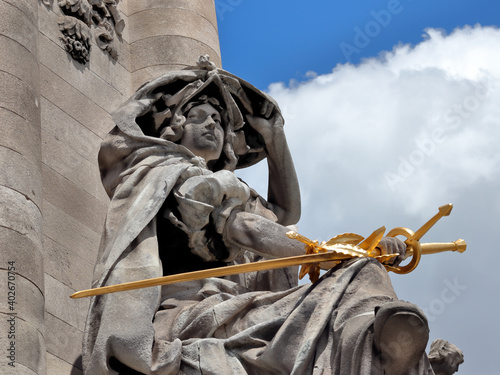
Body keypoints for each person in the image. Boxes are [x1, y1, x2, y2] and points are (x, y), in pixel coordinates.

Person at [83, 57, 434, 374]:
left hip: (239, 308)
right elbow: (243, 228)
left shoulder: (233, 188)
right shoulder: (168, 175)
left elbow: (283, 213)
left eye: (219, 120)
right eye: (197, 116)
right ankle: (376, 348)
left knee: (363, 272)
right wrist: (326, 254)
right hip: (189, 314)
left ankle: (377, 346)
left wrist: (274, 137)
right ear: (173, 127)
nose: (212, 125)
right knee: (353, 273)